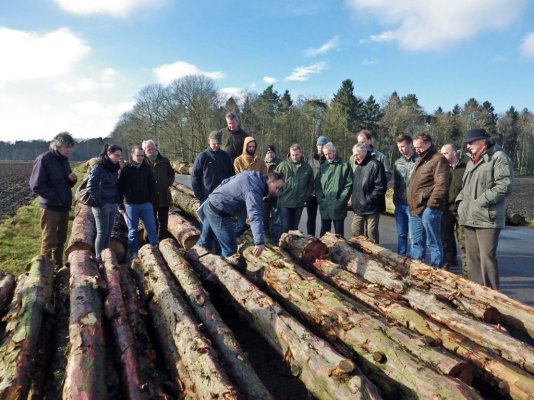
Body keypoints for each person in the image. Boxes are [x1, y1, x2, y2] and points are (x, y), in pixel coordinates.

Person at [457, 128, 514, 289]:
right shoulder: (471, 161)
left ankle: (493, 298)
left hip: (487, 218)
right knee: (472, 259)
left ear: (483, 141)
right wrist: (461, 202)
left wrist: (479, 202)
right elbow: (465, 187)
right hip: (469, 217)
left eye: (471, 142)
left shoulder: (498, 157)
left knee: (487, 259)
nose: (468, 146)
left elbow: (504, 186)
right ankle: (477, 297)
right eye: (467, 143)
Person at [198, 171, 285, 258]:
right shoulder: (254, 189)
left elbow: (225, 181)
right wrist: (259, 242)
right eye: (276, 187)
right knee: (230, 250)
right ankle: (224, 270)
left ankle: (194, 259)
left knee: (205, 241)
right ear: (270, 181)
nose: (277, 191)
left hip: (210, 203)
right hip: (219, 212)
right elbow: (255, 215)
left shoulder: (251, 175)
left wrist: (214, 195)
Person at [29, 132, 78, 268]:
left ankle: (57, 267)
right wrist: (56, 197)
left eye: (70, 147)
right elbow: (36, 185)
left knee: (60, 240)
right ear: (58, 146)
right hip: (51, 206)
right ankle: (44, 270)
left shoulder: (64, 160)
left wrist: (72, 180)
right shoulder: (44, 159)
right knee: (49, 240)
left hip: (63, 206)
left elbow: (64, 182)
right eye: (67, 147)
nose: (69, 150)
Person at [407, 133, 450, 267]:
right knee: (416, 241)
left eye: (419, 147)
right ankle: (417, 269)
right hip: (415, 207)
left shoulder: (438, 159)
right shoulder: (421, 160)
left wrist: (432, 205)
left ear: (428, 143)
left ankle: (436, 269)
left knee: (433, 242)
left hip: (429, 208)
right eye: (415, 147)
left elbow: (441, 184)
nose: (416, 150)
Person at [192, 131, 234, 253]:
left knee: (221, 228)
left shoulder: (225, 156)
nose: (216, 145)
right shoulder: (202, 157)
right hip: (207, 197)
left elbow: (231, 176)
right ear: (209, 141)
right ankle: (205, 253)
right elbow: (195, 177)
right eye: (214, 143)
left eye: (218, 143)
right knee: (206, 228)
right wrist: (200, 195)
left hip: (222, 198)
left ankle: (220, 254)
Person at [118, 146, 159, 261]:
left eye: (142, 155)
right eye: (138, 155)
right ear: (132, 155)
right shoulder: (125, 168)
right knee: (132, 230)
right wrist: (120, 205)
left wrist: (151, 201)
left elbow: (152, 185)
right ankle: (133, 253)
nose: (141, 157)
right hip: (131, 205)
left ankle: (156, 249)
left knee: (151, 228)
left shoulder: (146, 167)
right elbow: (119, 188)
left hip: (146, 204)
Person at [86, 144, 123, 263]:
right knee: (102, 232)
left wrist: (117, 202)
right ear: (108, 153)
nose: (118, 158)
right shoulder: (99, 167)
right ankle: (98, 258)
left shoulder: (114, 167)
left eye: (120, 156)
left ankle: (105, 255)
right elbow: (91, 187)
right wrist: (101, 204)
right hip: (101, 205)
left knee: (108, 233)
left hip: (112, 203)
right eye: (116, 155)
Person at [274, 143, 314, 237]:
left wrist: (305, 196)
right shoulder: (282, 166)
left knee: (294, 229)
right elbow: (274, 181)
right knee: (285, 228)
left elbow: (311, 184)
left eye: (297, 155)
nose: (295, 157)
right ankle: (281, 249)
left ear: (301, 154)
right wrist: (280, 194)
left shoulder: (307, 168)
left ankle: (292, 249)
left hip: (299, 203)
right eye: (292, 155)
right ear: (289, 154)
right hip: (285, 203)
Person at [350, 143, 387, 243]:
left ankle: (376, 256)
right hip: (358, 207)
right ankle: (359, 253)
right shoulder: (358, 167)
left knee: (371, 234)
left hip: (372, 207)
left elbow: (380, 187)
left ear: (365, 152)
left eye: (357, 154)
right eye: (354, 155)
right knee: (356, 231)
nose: (355, 157)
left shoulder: (376, 165)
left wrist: (368, 199)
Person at [315, 142, 353, 237]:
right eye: (325, 154)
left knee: (338, 234)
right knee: (324, 233)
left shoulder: (344, 166)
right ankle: (322, 251)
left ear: (334, 152)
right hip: (325, 205)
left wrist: (341, 201)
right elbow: (318, 185)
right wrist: (321, 200)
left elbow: (349, 185)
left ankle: (341, 251)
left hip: (338, 206)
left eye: (329, 153)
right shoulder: (323, 167)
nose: (327, 156)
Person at [440, 143, 467, 272]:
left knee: (463, 238)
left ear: (454, 153)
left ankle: (467, 267)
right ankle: (449, 261)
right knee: (446, 237)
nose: (443, 156)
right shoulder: (442, 168)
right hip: (446, 208)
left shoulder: (466, 167)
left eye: (445, 153)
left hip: (462, 208)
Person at [233, 136, 267, 235]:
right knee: (241, 219)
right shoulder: (238, 161)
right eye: (249, 147)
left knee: (256, 217)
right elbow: (237, 177)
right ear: (245, 147)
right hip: (242, 194)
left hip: (256, 194)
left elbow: (264, 176)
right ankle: (238, 237)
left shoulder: (260, 161)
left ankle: (258, 236)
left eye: (253, 147)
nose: (251, 149)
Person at [142, 139, 175, 240]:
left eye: (153, 147)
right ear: (144, 150)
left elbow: (171, 174)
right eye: (149, 148)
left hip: (164, 197)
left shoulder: (164, 160)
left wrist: (167, 182)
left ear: (156, 147)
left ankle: (163, 244)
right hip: (149, 198)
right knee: (151, 223)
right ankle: (149, 245)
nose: (151, 150)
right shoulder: (142, 162)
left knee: (163, 223)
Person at [392, 134, 418, 256]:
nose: (401, 149)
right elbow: (396, 183)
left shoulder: (419, 161)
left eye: (403, 146)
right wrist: (395, 199)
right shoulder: (398, 163)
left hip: (413, 204)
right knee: (401, 233)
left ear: (410, 144)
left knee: (413, 235)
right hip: (400, 203)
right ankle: (400, 257)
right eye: (398, 147)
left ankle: (414, 261)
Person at [306, 135, 329, 237]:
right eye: (319, 145)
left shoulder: (329, 159)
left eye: (323, 145)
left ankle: (324, 239)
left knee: (325, 219)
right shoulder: (311, 159)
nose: (320, 147)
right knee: (311, 218)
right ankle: (310, 238)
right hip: (311, 193)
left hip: (324, 194)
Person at [263, 144, 283, 241]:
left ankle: (276, 239)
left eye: (271, 152)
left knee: (276, 220)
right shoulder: (262, 163)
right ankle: (265, 238)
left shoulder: (281, 163)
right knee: (264, 218)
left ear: (274, 153)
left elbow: (283, 180)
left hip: (276, 196)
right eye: (268, 152)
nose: (270, 154)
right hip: (265, 197)